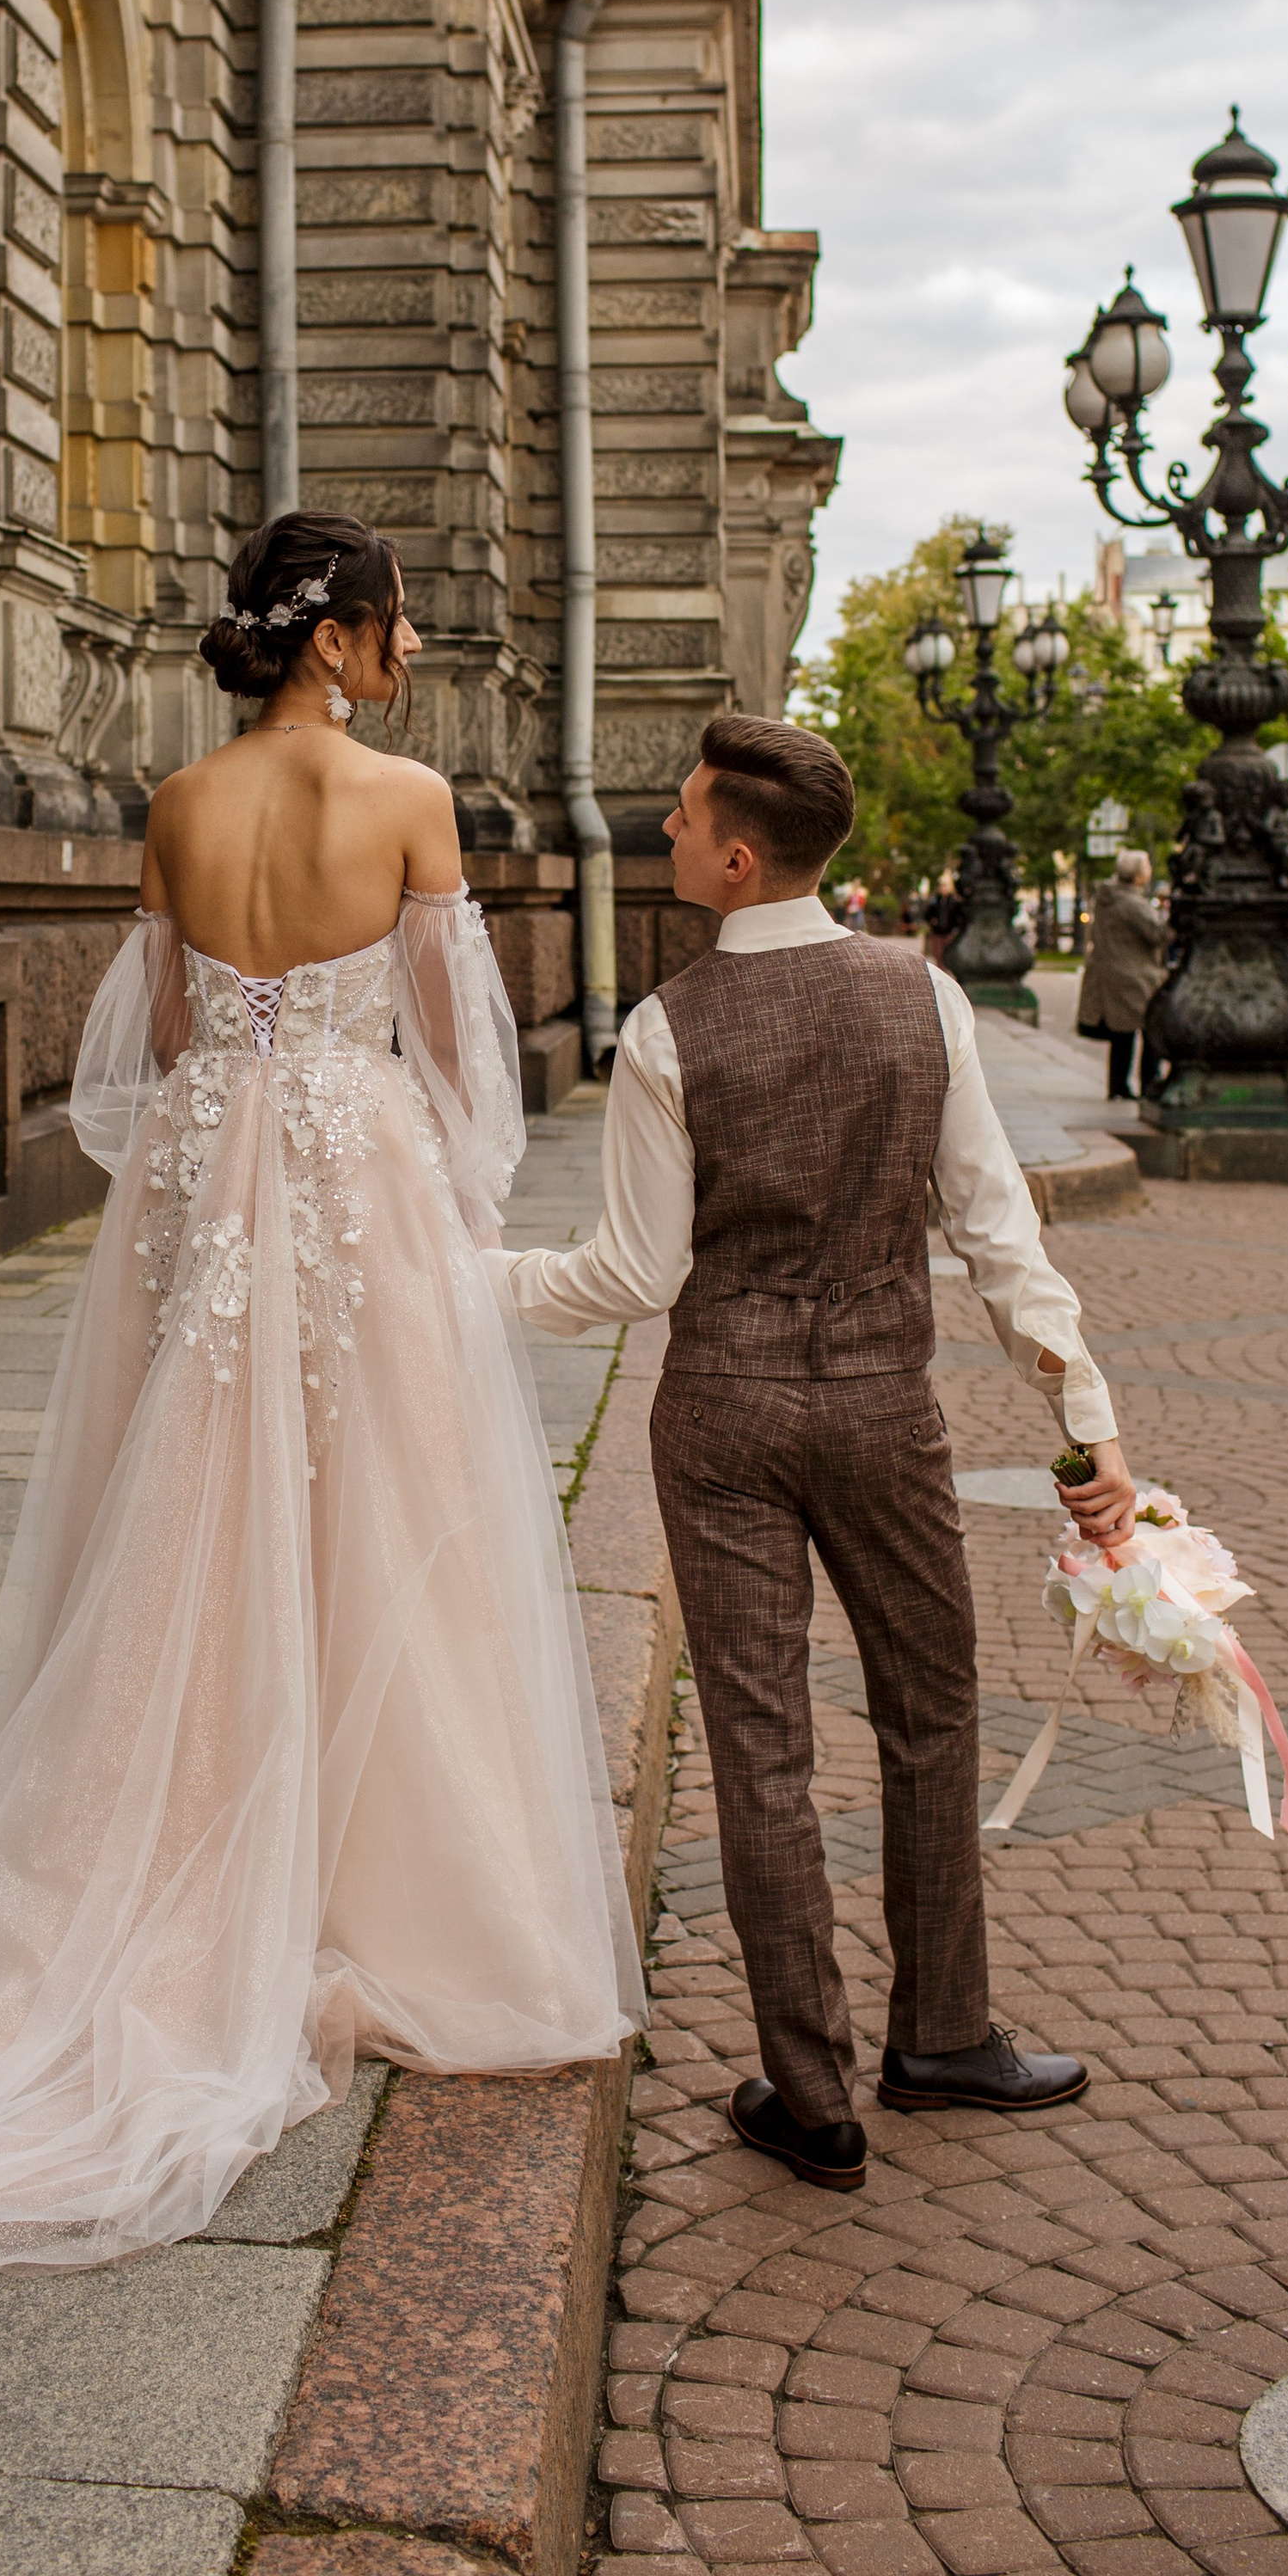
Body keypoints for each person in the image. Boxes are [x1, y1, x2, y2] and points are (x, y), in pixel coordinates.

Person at [0, 512, 642, 2282]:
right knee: (385, 1510)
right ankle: (376, 1888)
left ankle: (171, 1869)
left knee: (188, 1510)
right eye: (390, 626)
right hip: (347, 1169)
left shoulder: (170, 803)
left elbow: (151, 1044)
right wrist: (445, 1194)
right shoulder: (405, 804)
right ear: (336, 640)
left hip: (201, 1175)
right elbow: (465, 1055)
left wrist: (238, 1121)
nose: (404, 652)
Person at [506, 715, 1136, 2199]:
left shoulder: (666, 1028)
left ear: (738, 856)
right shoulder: (920, 1000)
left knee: (763, 1750)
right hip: (879, 1405)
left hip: (722, 1409)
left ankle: (812, 2097)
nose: (658, 834)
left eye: (675, 819)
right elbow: (995, 1232)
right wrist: (1086, 1424)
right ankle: (947, 2034)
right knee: (931, 1709)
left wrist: (469, 1276)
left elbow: (633, 1275)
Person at [1076, 847, 1167, 1101]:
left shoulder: (1108, 898)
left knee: (1122, 1034)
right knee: (1151, 1029)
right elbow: (1157, 934)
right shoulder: (1132, 904)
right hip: (1135, 975)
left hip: (1113, 973)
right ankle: (1149, 1083)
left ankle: (1118, 1085)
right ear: (1139, 875)